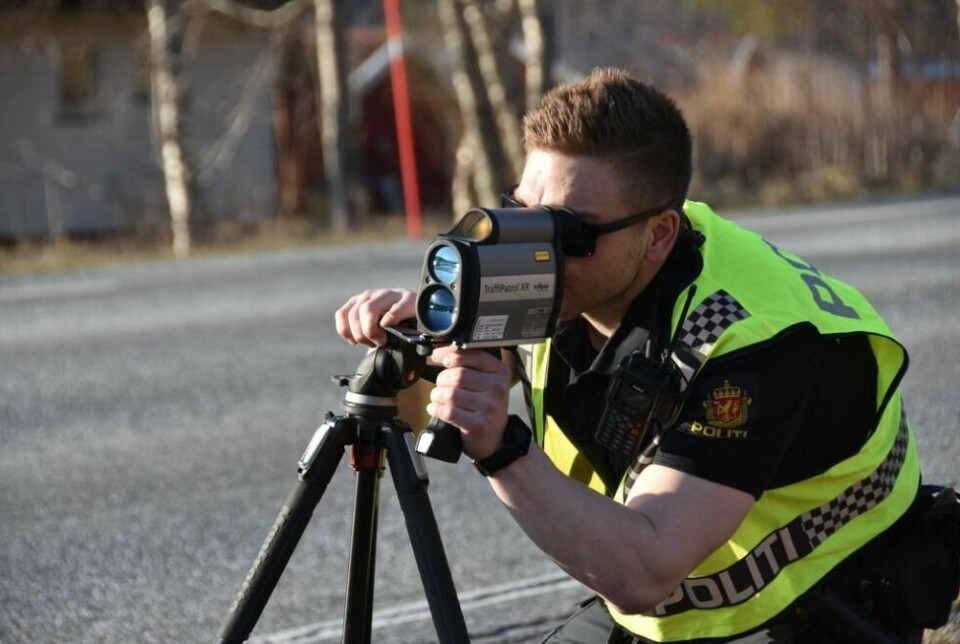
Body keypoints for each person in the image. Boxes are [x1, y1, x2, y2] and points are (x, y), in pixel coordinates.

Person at [335, 68, 931, 642]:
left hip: (810, 606)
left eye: (568, 233)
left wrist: (500, 449)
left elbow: (642, 571)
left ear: (660, 235)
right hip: (662, 607)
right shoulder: (584, 276)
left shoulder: (753, 348)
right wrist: (433, 339)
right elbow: (441, 408)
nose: (533, 254)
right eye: (520, 213)